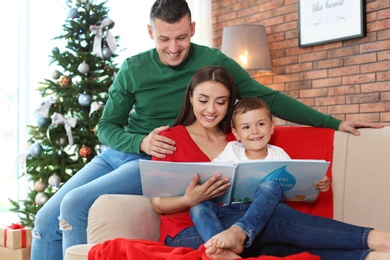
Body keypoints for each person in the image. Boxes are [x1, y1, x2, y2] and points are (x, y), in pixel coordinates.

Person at [30, 0, 383, 259]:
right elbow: (106, 126)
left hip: (159, 157)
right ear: (150, 32)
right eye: (164, 39)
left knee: (75, 203)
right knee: (47, 217)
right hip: (125, 150)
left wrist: (333, 122)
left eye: (181, 38)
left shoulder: (215, 63)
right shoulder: (134, 68)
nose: (173, 48)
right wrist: (140, 139)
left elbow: (269, 98)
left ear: (193, 29)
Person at [151, 66, 390, 260]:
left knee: (280, 239)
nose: (211, 109)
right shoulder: (168, 139)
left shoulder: (236, 138)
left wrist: (334, 123)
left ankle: (368, 255)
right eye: (203, 100)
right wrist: (188, 199)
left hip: (244, 224)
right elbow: (158, 203)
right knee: (277, 219)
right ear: (190, 97)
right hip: (190, 232)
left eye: (221, 102)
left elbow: (292, 179)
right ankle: (375, 239)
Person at [189, 96, 330, 255]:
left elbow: (297, 184)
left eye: (261, 124)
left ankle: (239, 235)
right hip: (231, 211)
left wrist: (317, 183)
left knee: (269, 186)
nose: (254, 131)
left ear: (271, 126)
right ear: (236, 133)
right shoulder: (232, 150)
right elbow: (212, 172)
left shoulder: (278, 155)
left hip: (263, 211)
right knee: (198, 206)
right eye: (246, 127)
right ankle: (222, 250)